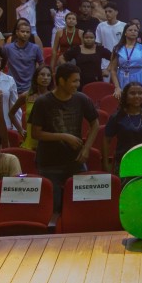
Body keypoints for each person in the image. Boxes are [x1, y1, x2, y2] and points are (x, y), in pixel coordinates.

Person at [29, 63, 100, 211]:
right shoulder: (43, 102)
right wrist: (64, 136)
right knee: (54, 207)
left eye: (78, 80)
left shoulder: (81, 99)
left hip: (75, 160)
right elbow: (35, 133)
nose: (78, 84)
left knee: (82, 205)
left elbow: (95, 124)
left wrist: (87, 148)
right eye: (74, 81)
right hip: (49, 162)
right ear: (61, 81)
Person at [106, 81, 142, 171]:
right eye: (132, 93)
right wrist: (106, 163)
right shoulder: (117, 117)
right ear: (126, 97)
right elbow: (106, 140)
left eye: (140, 93)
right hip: (124, 162)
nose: (137, 96)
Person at [10, 65, 53, 150]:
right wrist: (20, 130)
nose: (45, 78)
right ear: (36, 77)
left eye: (48, 75)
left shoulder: (54, 97)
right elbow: (11, 113)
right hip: (30, 143)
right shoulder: (26, 96)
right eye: (42, 74)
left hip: (47, 143)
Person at [111, 23, 142, 99]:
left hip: (138, 76)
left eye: (135, 30)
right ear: (125, 33)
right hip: (122, 77)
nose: (133, 32)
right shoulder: (117, 49)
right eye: (130, 30)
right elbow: (113, 70)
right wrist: (117, 87)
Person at [3, 19, 44, 93]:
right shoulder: (8, 48)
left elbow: (42, 64)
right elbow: (2, 64)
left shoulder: (35, 48)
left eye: (27, 32)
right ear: (17, 32)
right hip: (12, 86)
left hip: (30, 86)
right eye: (22, 31)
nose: (25, 34)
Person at [95, 2, 126, 75]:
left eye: (110, 11)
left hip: (121, 60)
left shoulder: (124, 26)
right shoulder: (100, 26)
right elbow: (98, 44)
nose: (107, 13)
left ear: (116, 12)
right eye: (106, 12)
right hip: (105, 62)